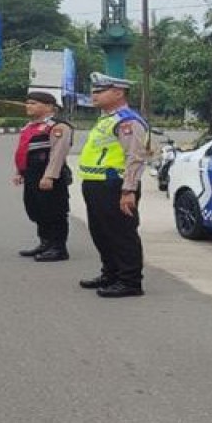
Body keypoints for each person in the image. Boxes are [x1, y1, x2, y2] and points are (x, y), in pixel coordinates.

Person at [77, 72, 149, 298]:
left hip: (116, 185)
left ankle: (130, 281)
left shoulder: (127, 121)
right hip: (96, 184)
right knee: (101, 232)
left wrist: (128, 190)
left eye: (100, 91)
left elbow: (135, 157)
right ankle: (111, 273)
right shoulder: (106, 119)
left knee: (121, 233)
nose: (94, 95)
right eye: (94, 91)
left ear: (118, 93)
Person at [13, 91, 74, 261]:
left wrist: (49, 176)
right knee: (36, 210)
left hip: (49, 176)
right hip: (32, 175)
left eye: (33, 103)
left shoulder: (58, 127)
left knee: (55, 211)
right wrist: (20, 172)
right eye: (28, 103)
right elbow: (24, 152)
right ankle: (45, 243)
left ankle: (58, 248)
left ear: (49, 107)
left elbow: (58, 154)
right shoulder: (29, 127)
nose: (28, 106)